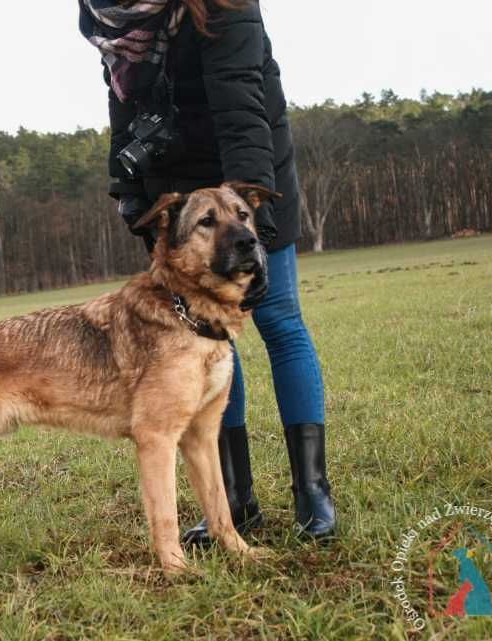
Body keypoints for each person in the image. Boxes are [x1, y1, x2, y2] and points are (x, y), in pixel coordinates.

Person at [79, 0, 336, 542]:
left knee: (280, 319)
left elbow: (244, 108)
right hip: (178, 190)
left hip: (250, 173)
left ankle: (313, 493)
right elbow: (122, 107)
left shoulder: (224, 6)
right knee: (206, 339)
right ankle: (234, 502)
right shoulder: (110, 17)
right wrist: (129, 191)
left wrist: (253, 230)